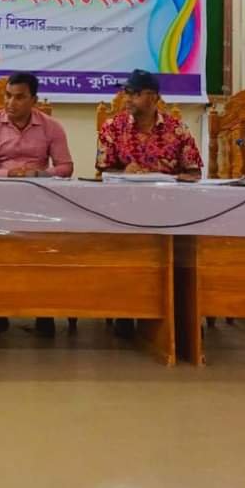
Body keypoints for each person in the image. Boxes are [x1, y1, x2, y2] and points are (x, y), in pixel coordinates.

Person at [0, 72, 74, 336]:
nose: (11, 103)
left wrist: (40, 174)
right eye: (8, 96)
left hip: (39, 199)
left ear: (33, 100)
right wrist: (7, 174)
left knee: (44, 252)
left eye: (19, 97)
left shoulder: (51, 127)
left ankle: (43, 311)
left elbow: (66, 167)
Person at [97, 68, 202, 339]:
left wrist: (171, 179)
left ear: (153, 97)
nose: (127, 98)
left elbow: (194, 172)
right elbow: (103, 171)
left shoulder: (177, 129)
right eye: (126, 92)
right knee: (126, 250)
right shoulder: (113, 127)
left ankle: (176, 313)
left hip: (167, 209)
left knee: (183, 247)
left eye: (134, 93)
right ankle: (126, 310)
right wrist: (124, 172)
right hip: (124, 209)